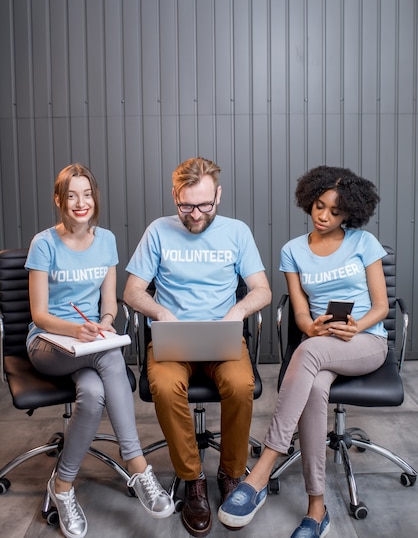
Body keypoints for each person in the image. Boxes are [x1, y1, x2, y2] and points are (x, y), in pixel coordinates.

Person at [218, 165, 389, 538]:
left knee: (308, 353)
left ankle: (262, 469)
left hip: (365, 341)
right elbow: (299, 312)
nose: (324, 216)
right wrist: (311, 326)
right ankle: (317, 509)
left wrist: (356, 326)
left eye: (336, 211)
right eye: (319, 206)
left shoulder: (363, 243)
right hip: (321, 341)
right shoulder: (292, 250)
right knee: (313, 385)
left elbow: (381, 307)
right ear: (309, 201)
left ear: (350, 214)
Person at [123, 156, 272, 537]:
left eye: (205, 205)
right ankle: (193, 481)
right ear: (174, 195)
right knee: (164, 386)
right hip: (173, 338)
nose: (196, 214)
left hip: (222, 336)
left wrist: (237, 311)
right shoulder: (158, 231)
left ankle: (231, 473)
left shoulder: (237, 232)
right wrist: (161, 312)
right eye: (186, 205)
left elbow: (263, 290)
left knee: (240, 386)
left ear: (218, 195)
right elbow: (132, 291)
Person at [25, 163, 174, 538]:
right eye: (72, 195)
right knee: (110, 356)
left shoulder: (106, 239)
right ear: (59, 199)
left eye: (87, 194)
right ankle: (138, 466)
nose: (80, 202)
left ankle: (61, 487)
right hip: (49, 343)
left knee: (92, 395)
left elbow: (109, 304)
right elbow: (40, 315)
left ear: (95, 199)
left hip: (88, 340)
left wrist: (104, 322)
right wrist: (76, 329)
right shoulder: (44, 244)